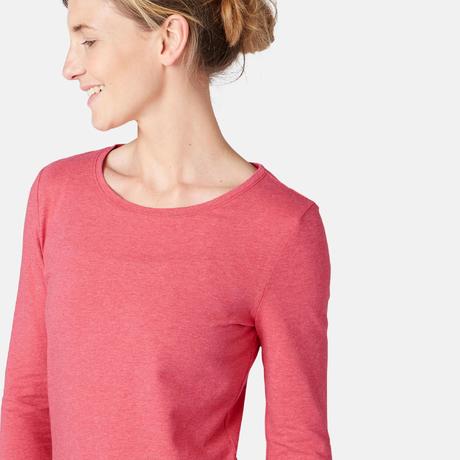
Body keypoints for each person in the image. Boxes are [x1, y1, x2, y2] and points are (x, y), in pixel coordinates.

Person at [0, 0, 333, 458]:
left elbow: (297, 443)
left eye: (89, 40)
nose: (69, 67)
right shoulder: (57, 196)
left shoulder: (281, 229)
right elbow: (27, 405)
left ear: (168, 39)